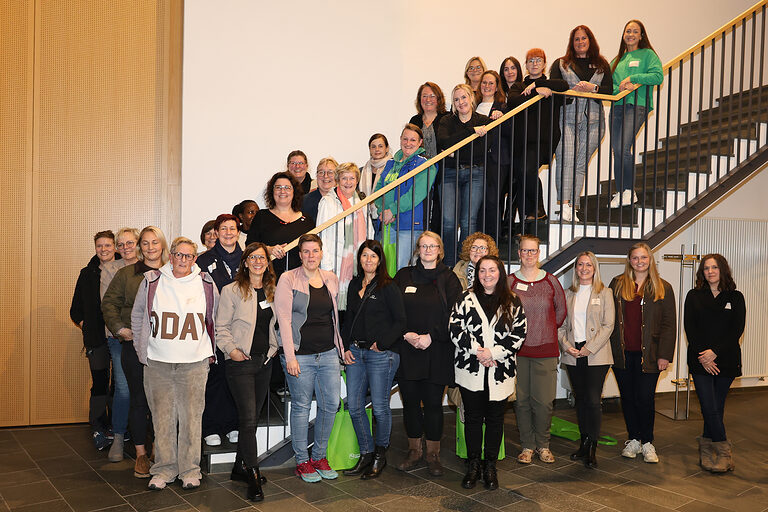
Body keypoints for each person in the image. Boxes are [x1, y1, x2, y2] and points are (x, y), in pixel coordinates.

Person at [131, 236, 217, 491]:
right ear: (171, 256)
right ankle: (164, 469)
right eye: (178, 254)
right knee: (162, 418)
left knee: (191, 419)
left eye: (188, 256)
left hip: (194, 363)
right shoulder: (152, 281)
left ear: (194, 259)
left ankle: (190, 469)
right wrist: (141, 351)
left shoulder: (206, 284)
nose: (182, 260)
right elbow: (138, 316)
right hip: (158, 363)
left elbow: (214, 317)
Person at [450, 256, 526, 490]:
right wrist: (478, 352)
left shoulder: (513, 300)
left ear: (500, 272)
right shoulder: (465, 298)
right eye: (482, 270)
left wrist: (493, 353)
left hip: (499, 371)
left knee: (495, 421)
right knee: (472, 420)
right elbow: (454, 328)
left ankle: (490, 466)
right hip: (470, 369)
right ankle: (473, 465)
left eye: (492, 270)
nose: (487, 275)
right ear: (477, 273)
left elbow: (519, 334)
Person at [274, 234, 344, 483]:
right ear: (300, 254)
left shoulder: (331, 279)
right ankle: (302, 461)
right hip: (300, 357)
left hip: (327, 354)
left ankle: (319, 457)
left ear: (321, 253)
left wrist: (340, 349)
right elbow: (283, 319)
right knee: (302, 407)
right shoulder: (288, 278)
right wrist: (289, 356)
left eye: (315, 251)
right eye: (306, 251)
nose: (310, 255)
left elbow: (335, 318)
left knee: (330, 405)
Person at [102, 226, 170, 478]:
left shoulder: (173, 272)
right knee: (138, 399)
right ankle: (141, 454)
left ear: (162, 245)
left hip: (166, 348)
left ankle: (159, 450)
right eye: (145, 244)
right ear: (140, 247)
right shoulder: (127, 274)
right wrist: (120, 329)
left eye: (155, 243)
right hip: (135, 346)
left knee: (162, 401)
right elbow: (109, 303)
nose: (150, 248)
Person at [393, 231, 462, 476]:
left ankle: (433, 454)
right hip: (408, 349)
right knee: (410, 403)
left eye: (432, 246)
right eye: (423, 246)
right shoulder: (403, 276)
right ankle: (414, 451)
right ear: (417, 250)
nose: (428, 249)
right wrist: (406, 334)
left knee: (433, 404)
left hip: (437, 350)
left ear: (440, 250)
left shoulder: (449, 278)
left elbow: (455, 315)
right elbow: (392, 309)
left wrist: (431, 336)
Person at [216, 242, 279, 500]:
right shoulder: (231, 290)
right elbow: (221, 327)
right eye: (252, 257)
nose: (257, 261)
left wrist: (274, 349)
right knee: (249, 419)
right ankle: (253, 474)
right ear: (245, 262)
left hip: (264, 362)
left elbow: (277, 324)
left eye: (261, 257)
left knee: (250, 421)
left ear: (267, 261)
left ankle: (239, 467)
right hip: (240, 362)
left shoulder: (272, 290)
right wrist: (231, 350)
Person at [341, 240, 406, 480]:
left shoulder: (388, 286)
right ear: (359, 259)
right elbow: (348, 319)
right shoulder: (354, 284)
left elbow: (401, 321)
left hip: (381, 355)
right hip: (355, 353)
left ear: (380, 260)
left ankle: (380, 454)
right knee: (355, 406)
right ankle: (366, 453)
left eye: (373, 256)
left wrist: (383, 343)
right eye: (364, 256)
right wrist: (346, 347)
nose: (368, 260)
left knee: (379, 407)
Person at [609, 242, 675, 463]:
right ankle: (633, 439)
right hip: (623, 354)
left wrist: (665, 354)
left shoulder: (663, 287)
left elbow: (669, 324)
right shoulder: (617, 284)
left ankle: (647, 442)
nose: (639, 262)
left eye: (643, 258)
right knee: (628, 398)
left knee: (645, 398)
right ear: (630, 260)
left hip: (651, 355)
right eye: (635, 258)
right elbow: (609, 320)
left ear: (650, 260)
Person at [507, 234, 566, 464]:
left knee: (543, 402)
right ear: (519, 253)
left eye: (533, 251)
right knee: (521, 401)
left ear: (538, 254)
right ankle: (527, 446)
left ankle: (543, 445)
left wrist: (545, 329)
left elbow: (560, 313)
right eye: (524, 250)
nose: (528, 255)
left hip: (545, 351)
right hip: (517, 352)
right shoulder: (510, 282)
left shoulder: (551, 281)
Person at [684, 254, 745, 473]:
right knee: (708, 405)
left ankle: (707, 447)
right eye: (706, 268)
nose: (710, 271)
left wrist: (715, 353)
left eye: (715, 267)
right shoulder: (694, 295)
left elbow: (736, 330)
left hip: (726, 360)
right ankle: (724, 450)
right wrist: (704, 355)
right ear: (702, 272)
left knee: (716, 407)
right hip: (700, 360)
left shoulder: (736, 297)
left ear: (723, 270)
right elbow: (690, 328)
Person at [70, 231, 125, 455]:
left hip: (121, 337)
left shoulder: (125, 270)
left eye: (108, 245)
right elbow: (75, 309)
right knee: (100, 382)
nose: (104, 249)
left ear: (115, 247)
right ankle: (98, 426)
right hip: (97, 339)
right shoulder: (88, 273)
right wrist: (87, 325)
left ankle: (117, 424)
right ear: (95, 248)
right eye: (99, 246)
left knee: (120, 385)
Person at [558, 251, 614, 469]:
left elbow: (608, 325)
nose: (584, 268)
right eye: (580, 264)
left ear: (595, 268)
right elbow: (560, 326)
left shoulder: (605, 292)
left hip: (596, 355)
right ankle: (583, 444)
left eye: (588, 265)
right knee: (580, 401)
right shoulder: (567, 294)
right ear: (576, 268)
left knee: (592, 401)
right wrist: (566, 346)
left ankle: (592, 448)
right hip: (573, 353)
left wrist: (588, 348)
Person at [551, 26, 613, 222]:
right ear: (572, 42)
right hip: (567, 119)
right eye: (576, 39)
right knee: (566, 161)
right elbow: (554, 89)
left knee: (580, 165)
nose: (580, 42)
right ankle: (564, 205)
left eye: (583, 38)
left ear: (590, 40)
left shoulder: (602, 64)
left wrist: (592, 88)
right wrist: (571, 92)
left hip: (594, 121)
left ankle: (574, 206)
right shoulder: (561, 64)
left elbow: (609, 91)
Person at [196, 214, 243, 447]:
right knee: (215, 378)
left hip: (242, 329)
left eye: (232, 228)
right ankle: (211, 426)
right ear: (216, 232)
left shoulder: (247, 258)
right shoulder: (203, 261)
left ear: (238, 232)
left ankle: (233, 424)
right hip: (214, 328)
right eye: (223, 229)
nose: (228, 233)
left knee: (236, 378)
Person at [506, 49, 568, 223]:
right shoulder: (518, 86)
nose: (534, 63)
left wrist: (538, 85)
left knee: (527, 170)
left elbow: (564, 86)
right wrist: (536, 91)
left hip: (542, 141)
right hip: (520, 142)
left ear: (544, 64)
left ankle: (536, 210)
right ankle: (534, 212)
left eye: (538, 60)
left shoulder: (551, 84)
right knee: (524, 173)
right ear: (525, 65)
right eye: (530, 60)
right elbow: (512, 101)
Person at [608, 20, 663, 208]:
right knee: (617, 151)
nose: (630, 34)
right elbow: (610, 87)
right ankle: (621, 191)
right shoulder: (615, 61)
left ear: (641, 36)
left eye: (635, 31)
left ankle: (629, 191)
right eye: (627, 31)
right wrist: (620, 88)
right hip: (617, 106)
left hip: (637, 105)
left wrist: (633, 78)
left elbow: (657, 76)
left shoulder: (648, 54)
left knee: (623, 147)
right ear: (623, 35)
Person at [436, 84, 490, 267]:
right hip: (449, 173)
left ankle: (464, 265)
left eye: (464, 97)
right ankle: (449, 266)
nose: (461, 102)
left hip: (475, 172)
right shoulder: (446, 121)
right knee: (449, 222)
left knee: (468, 222)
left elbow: (481, 151)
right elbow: (444, 142)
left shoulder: (484, 120)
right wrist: (471, 132)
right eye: (456, 99)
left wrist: (454, 152)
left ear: (471, 98)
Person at [374, 124, 437, 274]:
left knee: (400, 271)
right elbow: (378, 191)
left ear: (420, 142)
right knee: (384, 270)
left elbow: (414, 195)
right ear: (400, 139)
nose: (408, 143)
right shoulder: (391, 163)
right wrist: (383, 210)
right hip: (387, 224)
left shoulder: (426, 164)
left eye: (413, 140)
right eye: (405, 139)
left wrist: (393, 210)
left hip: (409, 226)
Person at [317, 162, 374, 310]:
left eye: (352, 178)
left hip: (357, 264)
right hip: (335, 265)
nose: (348, 182)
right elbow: (322, 237)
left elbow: (370, 232)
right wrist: (327, 266)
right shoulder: (328, 202)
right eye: (344, 178)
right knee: (334, 308)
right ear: (337, 180)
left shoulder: (362, 202)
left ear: (357, 180)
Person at [246, 172, 315, 280]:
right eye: (278, 187)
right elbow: (249, 246)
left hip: (301, 281)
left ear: (294, 191)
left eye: (287, 187)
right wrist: (268, 250)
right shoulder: (261, 216)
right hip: (268, 281)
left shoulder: (307, 221)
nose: (282, 191)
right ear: (272, 191)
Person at [409, 82, 449, 234]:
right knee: (421, 211)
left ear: (439, 99)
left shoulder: (447, 118)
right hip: (420, 173)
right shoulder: (415, 120)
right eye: (424, 96)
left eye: (432, 96)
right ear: (419, 99)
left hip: (442, 173)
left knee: (439, 212)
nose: (428, 99)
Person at [303, 157, 339, 223]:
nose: (325, 176)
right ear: (316, 175)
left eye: (330, 172)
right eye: (321, 172)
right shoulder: (304, 201)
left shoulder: (344, 200)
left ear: (337, 176)